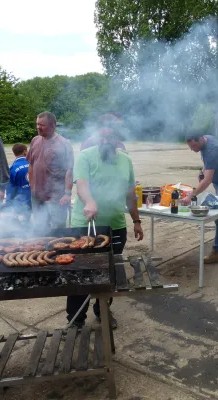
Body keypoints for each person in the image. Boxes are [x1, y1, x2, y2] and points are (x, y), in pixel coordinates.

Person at [66, 129, 144, 329]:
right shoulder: (85, 156)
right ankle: (76, 319)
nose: (106, 140)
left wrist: (136, 221)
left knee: (109, 272)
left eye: (111, 137)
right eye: (103, 136)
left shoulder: (125, 160)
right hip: (85, 223)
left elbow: (130, 195)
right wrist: (90, 201)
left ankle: (102, 310)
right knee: (80, 272)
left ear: (117, 139)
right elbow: (81, 185)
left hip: (115, 226)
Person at [182, 131, 218, 263]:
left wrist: (191, 196)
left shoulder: (213, 150)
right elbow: (208, 164)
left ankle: (217, 252)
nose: (193, 150)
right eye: (190, 147)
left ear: (201, 140)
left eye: (194, 147)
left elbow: (207, 181)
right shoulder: (207, 140)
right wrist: (202, 171)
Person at [27, 112, 74, 231]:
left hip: (56, 197)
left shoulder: (64, 144)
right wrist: (33, 187)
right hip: (37, 196)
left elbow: (69, 170)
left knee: (57, 229)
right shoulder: (35, 140)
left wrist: (67, 193)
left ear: (53, 125)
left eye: (42, 125)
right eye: (37, 124)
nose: (38, 127)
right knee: (39, 228)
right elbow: (31, 165)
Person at [6, 143, 31, 223]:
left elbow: (11, 190)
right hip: (36, 199)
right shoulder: (34, 164)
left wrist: (8, 203)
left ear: (14, 153)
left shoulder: (12, 169)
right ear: (25, 152)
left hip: (22, 202)